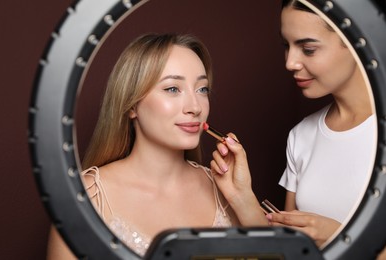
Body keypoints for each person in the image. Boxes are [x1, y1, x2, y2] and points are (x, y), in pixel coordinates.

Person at [46, 33, 268, 259]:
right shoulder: (87, 197)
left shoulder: (226, 191)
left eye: (202, 89)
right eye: (172, 89)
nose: (195, 107)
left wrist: (243, 199)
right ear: (131, 105)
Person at [267, 0, 376, 248]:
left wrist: (344, 238)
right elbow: (290, 247)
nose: (290, 63)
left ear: (356, 41)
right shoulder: (301, 135)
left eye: (308, 49)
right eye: (287, 45)